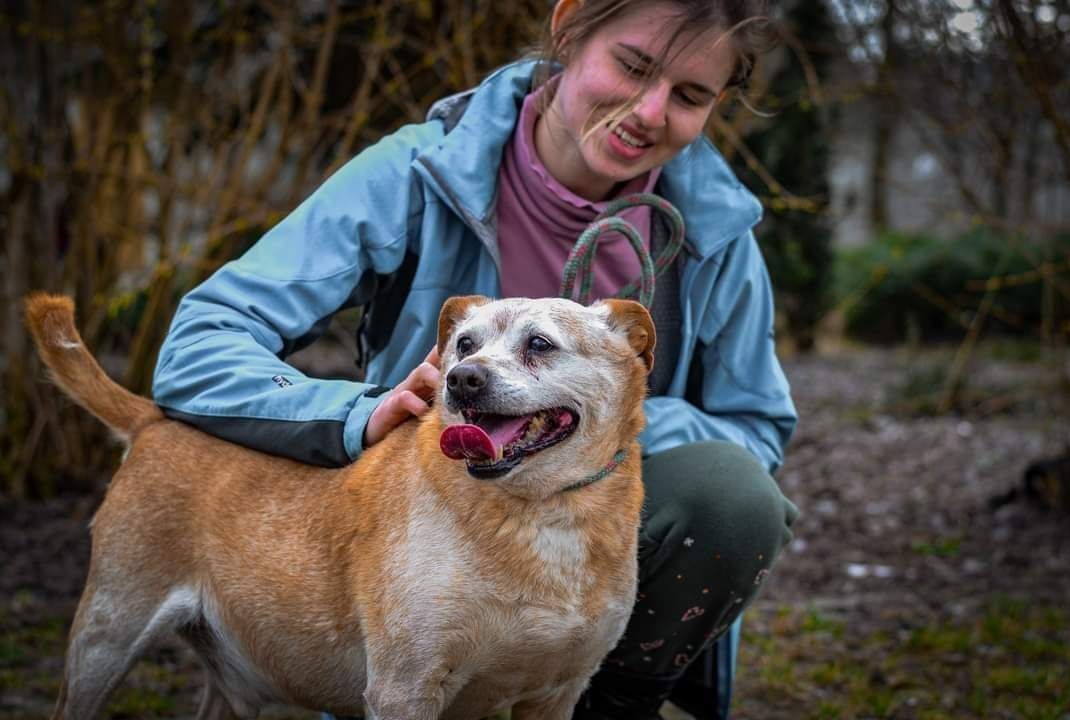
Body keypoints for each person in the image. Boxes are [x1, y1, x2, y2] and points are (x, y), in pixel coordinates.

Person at [151, 0, 799, 717]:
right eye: (633, 65)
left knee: (735, 497)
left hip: (598, 534)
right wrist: (358, 413)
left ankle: (602, 704)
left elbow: (757, 427)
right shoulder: (415, 174)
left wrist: (606, 419)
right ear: (569, 26)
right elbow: (200, 344)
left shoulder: (717, 231)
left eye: (689, 96)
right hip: (422, 519)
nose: (649, 111)